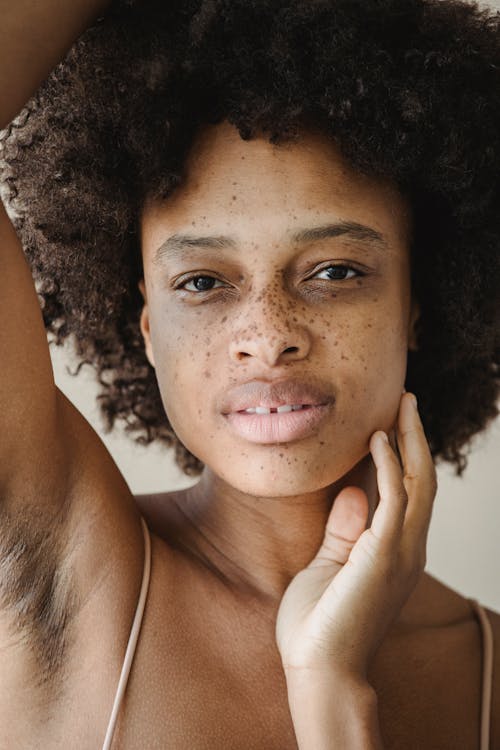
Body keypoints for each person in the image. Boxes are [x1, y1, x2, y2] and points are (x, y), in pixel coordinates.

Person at [0, 0, 498, 747]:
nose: (268, 337)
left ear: (417, 306)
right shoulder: (60, 570)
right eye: (202, 282)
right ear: (145, 326)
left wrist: (330, 681)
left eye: (334, 271)